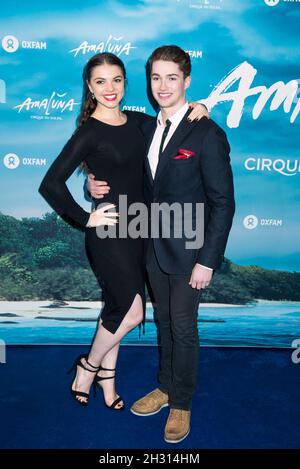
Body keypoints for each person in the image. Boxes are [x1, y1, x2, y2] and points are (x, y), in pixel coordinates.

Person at [38, 52, 208, 412]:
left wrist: (201, 107)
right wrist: (85, 217)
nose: (109, 89)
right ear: (90, 87)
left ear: (125, 83)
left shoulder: (140, 123)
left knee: (117, 309)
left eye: (116, 80)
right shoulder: (88, 132)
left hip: (140, 231)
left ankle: (108, 384)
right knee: (131, 313)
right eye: (101, 82)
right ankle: (88, 367)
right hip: (109, 232)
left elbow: (173, 122)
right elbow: (50, 184)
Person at [88, 46, 235, 442]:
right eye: (156, 78)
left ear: (186, 81)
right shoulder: (144, 126)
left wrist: (208, 261)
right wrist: (90, 179)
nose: (163, 86)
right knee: (165, 324)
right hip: (151, 246)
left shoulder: (207, 132)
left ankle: (181, 404)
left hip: (190, 251)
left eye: (173, 77)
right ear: (149, 82)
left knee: (184, 328)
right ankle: (166, 387)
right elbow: (106, 144)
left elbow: (223, 203)